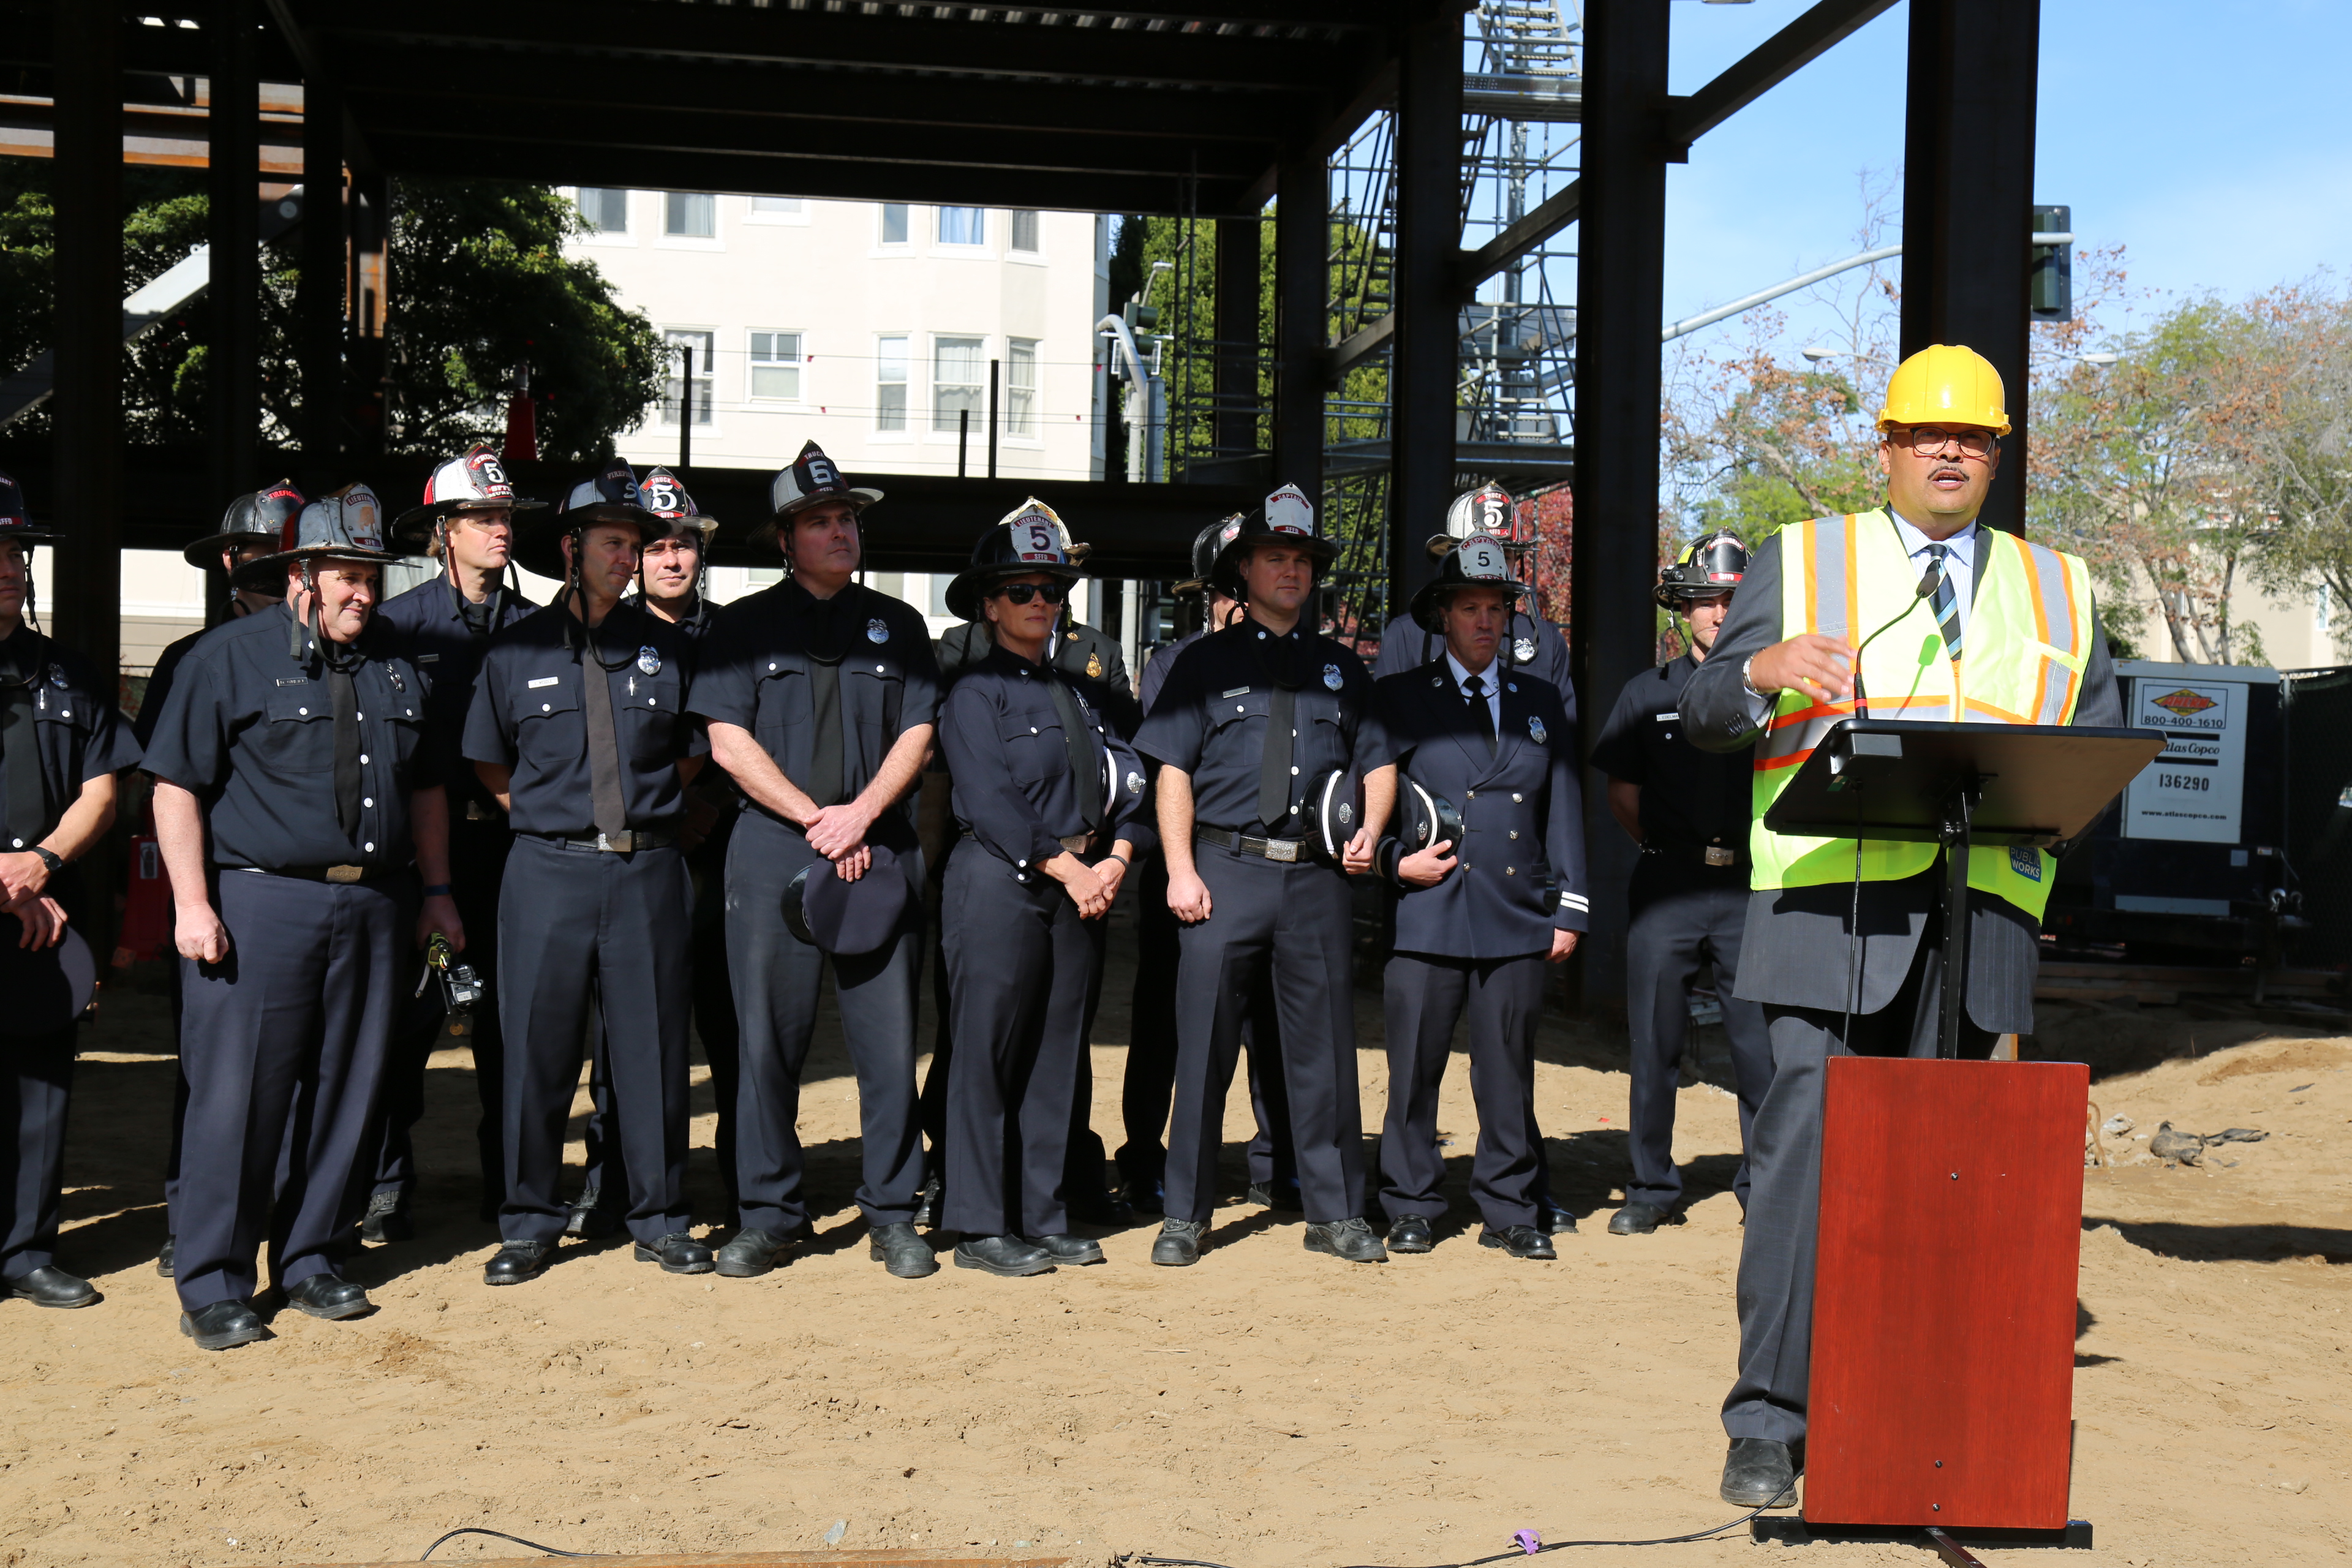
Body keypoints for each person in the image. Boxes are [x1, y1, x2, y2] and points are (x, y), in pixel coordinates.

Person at [1678, 344, 2122, 1508]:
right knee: (1801, 1175)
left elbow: (2094, 748)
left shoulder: (2061, 588)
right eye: (1926, 433)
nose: (1947, 451)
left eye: (1970, 437)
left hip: (1980, 929)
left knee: (1955, 1189)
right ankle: (1769, 1427)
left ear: (1996, 454)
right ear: (1885, 447)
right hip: (1827, 917)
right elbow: (1706, 714)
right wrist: (1762, 665)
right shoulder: (1804, 560)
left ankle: (1925, 1425)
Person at [143, 485, 460, 1351]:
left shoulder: (400, 660)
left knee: (348, 1091)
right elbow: (175, 786)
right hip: (258, 903)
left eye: (373, 576)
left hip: (377, 903)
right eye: (347, 575)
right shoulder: (228, 657)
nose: (364, 591)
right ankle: (213, 1279)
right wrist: (192, 904)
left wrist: (437, 895)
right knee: (239, 1098)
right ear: (302, 577)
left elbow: (426, 787)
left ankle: (312, 1258)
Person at [690, 442, 938, 1281]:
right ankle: (768, 1213)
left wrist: (862, 814)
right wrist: (814, 817)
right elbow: (727, 739)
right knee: (766, 1041)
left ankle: (895, 1212)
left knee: (887, 1038)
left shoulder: (898, 625)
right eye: (820, 522)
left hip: (880, 848)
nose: (840, 533)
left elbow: (918, 731)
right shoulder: (741, 625)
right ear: (784, 541)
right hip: (772, 851)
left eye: (847, 519)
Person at [464, 461, 709, 1285]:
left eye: (635, 544)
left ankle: (661, 1217)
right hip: (546, 874)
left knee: (651, 1054)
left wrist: (628, 819)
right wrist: (557, 825)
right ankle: (531, 1222)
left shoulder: (669, 650)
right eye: (612, 542)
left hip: (646, 871)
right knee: (536, 1053)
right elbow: (491, 766)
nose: (628, 557)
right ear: (571, 548)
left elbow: (686, 759)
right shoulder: (514, 651)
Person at [1133, 484, 1388, 1267]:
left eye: (1303, 560)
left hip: (1315, 881)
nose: (1291, 571)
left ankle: (1335, 1210)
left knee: (1324, 1053)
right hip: (1224, 869)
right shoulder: (1199, 666)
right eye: (1276, 557)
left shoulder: (1343, 670)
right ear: (1244, 570)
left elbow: (1377, 761)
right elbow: (1171, 767)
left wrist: (1372, 833)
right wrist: (1179, 870)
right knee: (1203, 1047)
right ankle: (1186, 1213)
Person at [933, 502, 1154, 1275]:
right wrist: (1071, 870)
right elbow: (991, 799)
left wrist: (1118, 859)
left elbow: (1133, 780)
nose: (1039, 602)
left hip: (1083, 886)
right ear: (990, 603)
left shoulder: (1087, 693)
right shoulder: (972, 693)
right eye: (1021, 589)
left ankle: (1043, 1211)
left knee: (1058, 1057)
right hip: (1001, 881)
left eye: (1052, 590)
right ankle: (979, 1223)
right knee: (988, 1055)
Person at [1365, 533, 1587, 1261]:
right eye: (1471, 607)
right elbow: (1366, 806)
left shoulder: (1539, 700)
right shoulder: (1398, 698)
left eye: (1497, 608)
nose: (1487, 622)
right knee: (1414, 1074)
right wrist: (1394, 864)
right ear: (1443, 617)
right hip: (1427, 912)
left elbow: (1563, 804)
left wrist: (1570, 906)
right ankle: (1410, 1202)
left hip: (1517, 912)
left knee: (1507, 1074)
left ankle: (1511, 1206)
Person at [365, 443, 543, 1241]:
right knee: (403, 1032)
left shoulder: (543, 630)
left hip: (514, 860)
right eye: (482, 517)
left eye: (505, 515)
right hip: (421, 864)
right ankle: (384, 1184)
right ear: (445, 530)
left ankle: (511, 1190)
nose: (499, 529)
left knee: (515, 1033)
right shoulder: (396, 628)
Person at [1591, 532, 1774, 1235]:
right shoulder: (1648, 692)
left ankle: (1763, 1187)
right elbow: (1623, 794)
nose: (1718, 613)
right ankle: (1651, 1187)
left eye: (1732, 599)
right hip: (1667, 884)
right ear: (1683, 608)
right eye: (1705, 600)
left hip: (1753, 889)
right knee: (1654, 1044)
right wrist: (1670, 851)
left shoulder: (1779, 695)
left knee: (1758, 1049)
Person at [143, 481, 302, 1282]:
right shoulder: (191, 660)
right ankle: (192, 1218)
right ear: (234, 561)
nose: (275, 568)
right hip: (221, 894)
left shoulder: (334, 656)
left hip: (298, 900)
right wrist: (190, 900)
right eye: (263, 554)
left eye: (289, 553)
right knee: (213, 1073)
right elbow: (170, 785)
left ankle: (290, 1221)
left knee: (299, 1073)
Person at [570, 464, 732, 1237]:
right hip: (639, 852)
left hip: (725, 858)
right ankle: (611, 1185)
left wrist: (706, 807)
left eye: (685, 546)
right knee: (621, 1039)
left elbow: (751, 735)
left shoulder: (734, 634)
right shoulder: (605, 630)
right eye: (658, 545)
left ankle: (742, 1182)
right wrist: (675, 806)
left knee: (731, 1030)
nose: (671, 559)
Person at [1120, 515, 1295, 1216]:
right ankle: (1143, 1158)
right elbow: (1168, 764)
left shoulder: (1291, 659)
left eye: (1238, 587)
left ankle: (1272, 1159)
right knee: (1163, 1021)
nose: (1232, 603)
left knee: (1271, 1027)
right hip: (1183, 864)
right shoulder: (1177, 663)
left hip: (1266, 867)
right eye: (1221, 590)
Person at [0, 470, 140, 1309]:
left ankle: (27, 1251)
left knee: (42, 1088)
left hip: (44, 918)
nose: (9, 565)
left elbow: (103, 787)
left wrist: (40, 866)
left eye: (17, 549)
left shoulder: (69, 675)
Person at [1371, 482, 1569, 693]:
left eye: (1504, 554)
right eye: (1478, 551)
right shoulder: (1406, 635)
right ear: (1450, 557)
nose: (1493, 563)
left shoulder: (1547, 642)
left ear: (1518, 561)